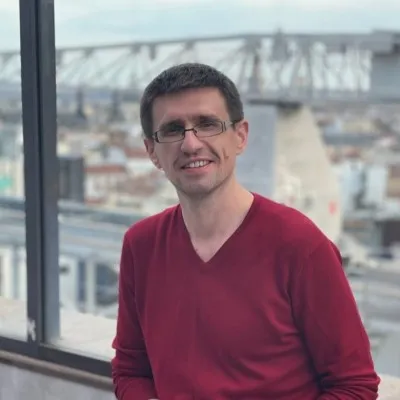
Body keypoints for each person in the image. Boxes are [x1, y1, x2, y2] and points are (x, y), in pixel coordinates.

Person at [111, 62, 380, 400]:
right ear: (152, 151)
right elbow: (131, 369)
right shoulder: (141, 245)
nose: (191, 144)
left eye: (207, 124)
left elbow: (355, 386)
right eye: (173, 129)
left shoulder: (300, 246)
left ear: (240, 136)